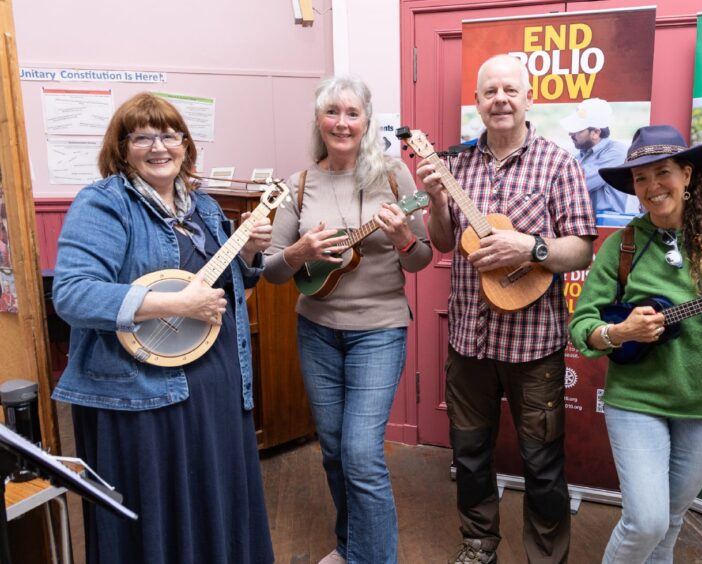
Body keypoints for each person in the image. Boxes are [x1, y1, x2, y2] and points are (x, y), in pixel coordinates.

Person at [51, 92, 274, 564]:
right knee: (156, 516)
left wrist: (251, 251)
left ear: (185, 145)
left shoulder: (205, 207)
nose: (159, 147)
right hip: (141, 395)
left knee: (217, 505)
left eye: (170, 135)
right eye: (143, 137)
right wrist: (174, 303)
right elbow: (71, 294)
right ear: (121, 147)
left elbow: (232, 286)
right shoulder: (103, 203)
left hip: (216, 388)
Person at [416, 54, 596, 564]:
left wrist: (531, 248)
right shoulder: (455, 165)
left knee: (542, 462)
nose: (500, 99)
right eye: (490, 91)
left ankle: (546, 557)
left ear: (528, 98)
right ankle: (478, 546)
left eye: (510, 90)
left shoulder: (558, 163)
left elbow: (581, 247)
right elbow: (445, 241)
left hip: (534, 344)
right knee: (470, 457)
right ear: (476, 102)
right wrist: (433, 200)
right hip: (468, 341)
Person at [569, 125, 702, 563]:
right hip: (637, 400)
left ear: (687, 174)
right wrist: (619, 333)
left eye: (662, 173)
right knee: (647, 521)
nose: (651, 187)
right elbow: (582, 324)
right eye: (641, 178)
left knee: (672, 518)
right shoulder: (622, 245)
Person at [263, 76, 432, 564]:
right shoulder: (298, 184)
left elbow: (421, 258)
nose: (342, 122)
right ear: (320, 120)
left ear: (367, 120)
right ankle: (349, 544)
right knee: (335, 451)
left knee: (361, 454)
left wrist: (402, 237)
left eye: (352, 113)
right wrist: (300, 250)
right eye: (332, 112)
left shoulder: (396, 177)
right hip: (316, 330)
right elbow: (273, 270)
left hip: (378, 330)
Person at [561, 98, 632, 215]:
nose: (571, 134)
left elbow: (576, 184)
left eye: (577, 130)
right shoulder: (579, 157)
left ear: (596, 132)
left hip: (608, 225)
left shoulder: (617, 153)